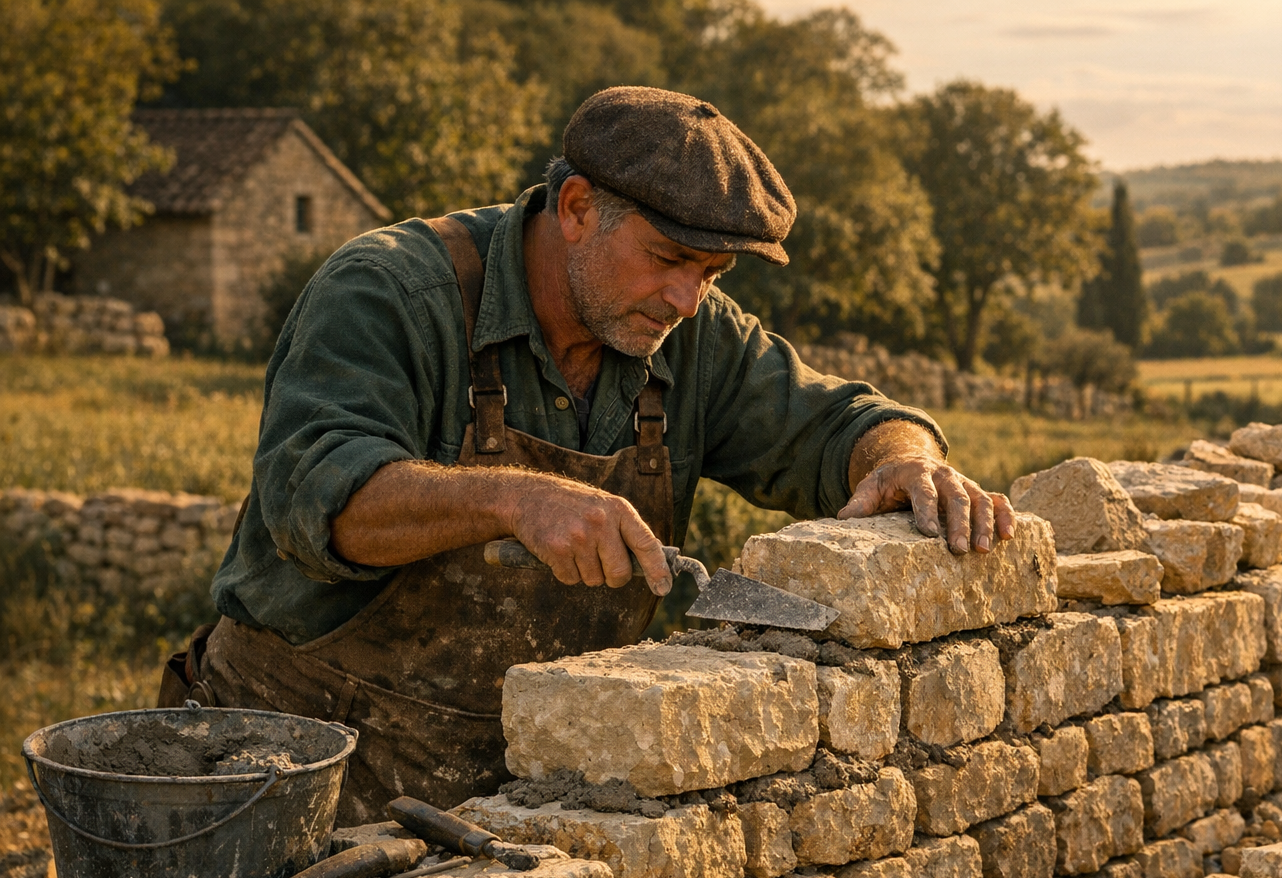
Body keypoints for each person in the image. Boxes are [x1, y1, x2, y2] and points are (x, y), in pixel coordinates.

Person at [160, 86, 1014, 824]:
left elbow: (840, 423)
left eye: (712, 273)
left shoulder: (688, 332)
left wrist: (904, 457)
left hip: (520, 795)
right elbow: (318, 499)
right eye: (669, 259)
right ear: (574, 210)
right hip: (294, 768)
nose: (687, 298)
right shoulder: (391, 292)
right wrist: (515, 502)